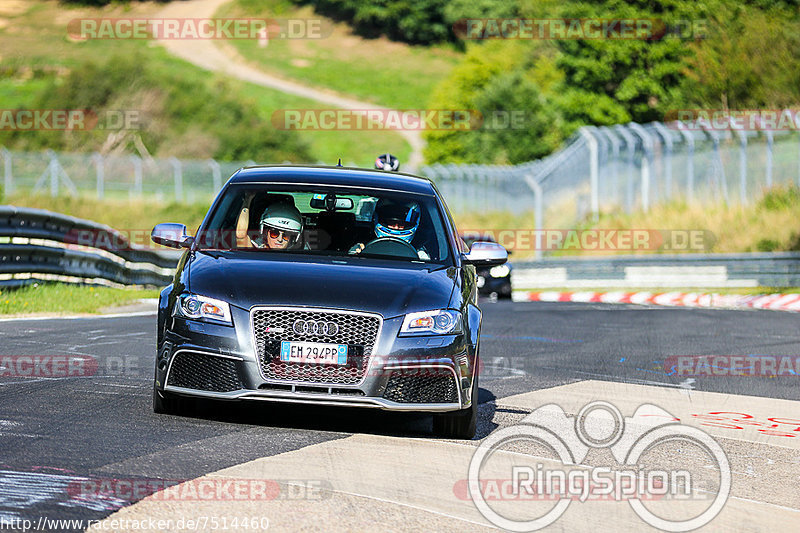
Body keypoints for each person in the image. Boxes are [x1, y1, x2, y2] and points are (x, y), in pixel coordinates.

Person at [349, 200, 430, 259]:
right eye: (391, 222)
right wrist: (356, 256)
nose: (396, 227)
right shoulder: (362, 247)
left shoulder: (420, 255)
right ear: (377, 220)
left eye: (402, 224)